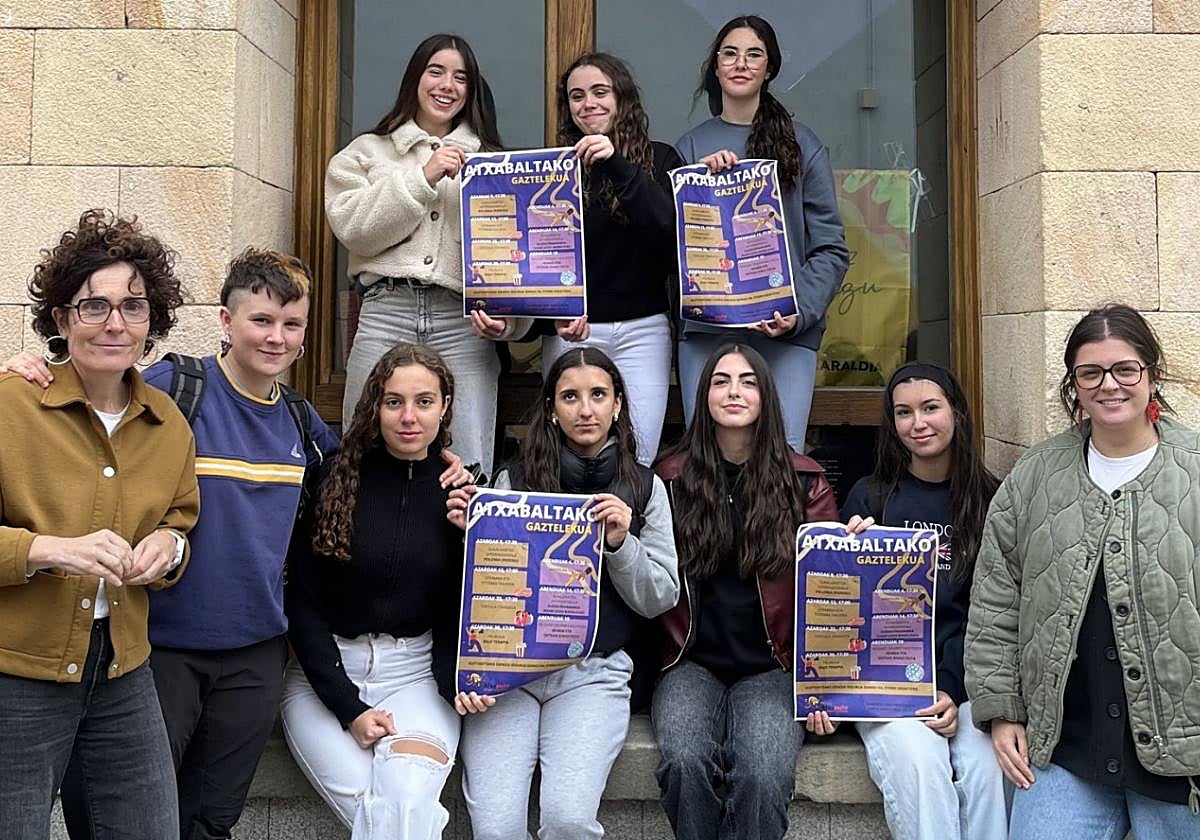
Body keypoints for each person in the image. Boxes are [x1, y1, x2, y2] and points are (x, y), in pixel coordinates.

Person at [0, 209, 200, 839]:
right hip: (17, 674)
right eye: (94, 306)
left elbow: (180, 521)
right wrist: (46, 549)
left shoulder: (168, 422)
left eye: (133, 306)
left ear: (151, 321)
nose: (115, 323)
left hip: (122, 670)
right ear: (62, 320)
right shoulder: (12, 403)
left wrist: (168, 549)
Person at [966, 304, 1200, 838]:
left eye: (1125, 369)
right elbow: (997, 602)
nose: (1109, 385)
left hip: (1184, 758)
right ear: (1075, 384)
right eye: (1090, 373)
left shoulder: (1195, 470)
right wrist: (1003, 711)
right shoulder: (1035, 477)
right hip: (1067, 749)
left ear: (1152, 375)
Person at [447, 347, 680, 840]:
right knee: (494, 826)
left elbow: (661, 597)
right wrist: (472, 532)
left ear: (618, 404)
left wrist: (621, 544)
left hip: (592, 673)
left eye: (599, 395)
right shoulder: (515, 479)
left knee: (568, 820)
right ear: (552, 409)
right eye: (570, 397)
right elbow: (485, 586)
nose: (586, 409)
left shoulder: (646, 487)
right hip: (511, 673)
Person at [281, 343, 474, 839]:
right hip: (323, 683)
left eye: (424, 402)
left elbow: (464, 605)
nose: (409, 417)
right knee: (397, 820)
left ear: (445, 405)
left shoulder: (464, 494)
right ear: (375, 406)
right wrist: (349, 707)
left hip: (416, 679)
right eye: (394, 402)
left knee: (406, 805)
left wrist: (465, 534)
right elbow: (302, 603)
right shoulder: (333, 478)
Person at [650, 343, 838, 840]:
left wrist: (826, 687)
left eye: (748, 381)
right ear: (703, 394)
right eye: (721, 380)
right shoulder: (669, 479)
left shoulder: (806, 482)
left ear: (766, 397)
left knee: (762, 774)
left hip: (772, 666)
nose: (734, 391)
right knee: (685, 762)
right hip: (689, 662)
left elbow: (833, 594)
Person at [815, 360, 1006, 840]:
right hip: (886, 686)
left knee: (986, 769)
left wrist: (953, 689)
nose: (918, 423)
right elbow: (839, 612)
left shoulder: (991, 500)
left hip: (965, 681)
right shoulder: (870, 497)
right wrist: (851, 557)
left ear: (957, 412)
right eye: (903, 413)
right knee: (920, 765)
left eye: (930, 408)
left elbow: (994, 613)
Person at [326, 33, 527, 477]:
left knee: (469, 457)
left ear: (471, 91)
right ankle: (352, 543)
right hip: (384, 311)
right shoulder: (365, 152)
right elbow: (355, 231)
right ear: (414, 78)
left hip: (463, 321)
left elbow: (518, 260)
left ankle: (461, 545)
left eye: (460, 77)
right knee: (362, 447)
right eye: (436, 71)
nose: (447, 84)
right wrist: (424, 176)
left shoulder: (496, 165)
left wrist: (509, 322)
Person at [675, 15, 849, 453]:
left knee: (783, 459)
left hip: (784, 333)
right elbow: (674, 248)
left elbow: (830, 248)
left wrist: (798, 311)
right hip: (708, 333)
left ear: (769, 69)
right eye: (730, 53)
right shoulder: (690, 148)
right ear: (715, 67)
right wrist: (701, 183)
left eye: (755, 54)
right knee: (708, 458)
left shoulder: (802, 144)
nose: (741, 63)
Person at [539, 52, 682, 465]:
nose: (589, 104)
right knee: (568, 453)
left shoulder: (661, 159)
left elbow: (673, 239)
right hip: (574, 333)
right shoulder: (553, 171)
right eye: (577, 96)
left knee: (638, 455)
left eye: (600, 92)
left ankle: (628, 530)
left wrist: (616, 163)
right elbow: (537, 259)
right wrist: (549, 319)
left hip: (644, 331)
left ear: (622, 98)